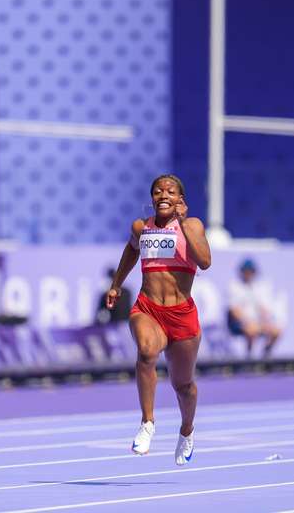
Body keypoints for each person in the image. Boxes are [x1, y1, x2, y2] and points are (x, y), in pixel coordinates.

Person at [105, 174, 211, 466]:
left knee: (184, 386)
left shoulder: (192, 226)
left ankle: (187, 430)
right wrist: (116, 284)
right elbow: (131, 250)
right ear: (152, 198)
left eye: (170, 191)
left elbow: (204, 261)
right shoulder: (142, 227)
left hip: (181, 315)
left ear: (180, 198)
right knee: (147, 351)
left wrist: (185, 227)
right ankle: (147, 422)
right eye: (157, 191)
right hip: (148, 308)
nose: (163, 194)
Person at [227, 258, 281, 358]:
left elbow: (263, 309)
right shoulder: (234, 286)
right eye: (246, 271)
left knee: (276, 331)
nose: (249, 274)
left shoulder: (258, 287)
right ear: (242, 272)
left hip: (257, 322)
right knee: (252, 330)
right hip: (239, 323)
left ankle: (265, 355)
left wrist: (267, 322)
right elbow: (234, 311)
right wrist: (248, 322)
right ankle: (249, 358)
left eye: (251, 271)